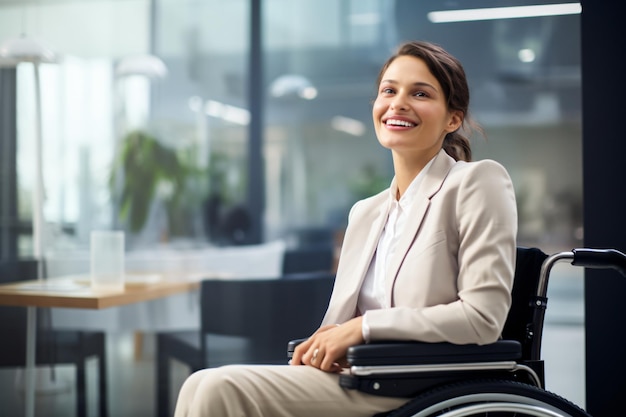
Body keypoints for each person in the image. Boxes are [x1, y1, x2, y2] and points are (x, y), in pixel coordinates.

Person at [173, 40, 518, 417]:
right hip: (358, 374)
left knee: (215, 388)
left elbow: (483, 319)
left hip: (423, 383)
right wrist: (326, 341)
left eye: (420, 93)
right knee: (199, 383)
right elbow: (336, 324)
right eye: (389, 90)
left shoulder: (476, 182)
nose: (398, 103)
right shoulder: (365, 213)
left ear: (453, 118)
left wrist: (365, 327)